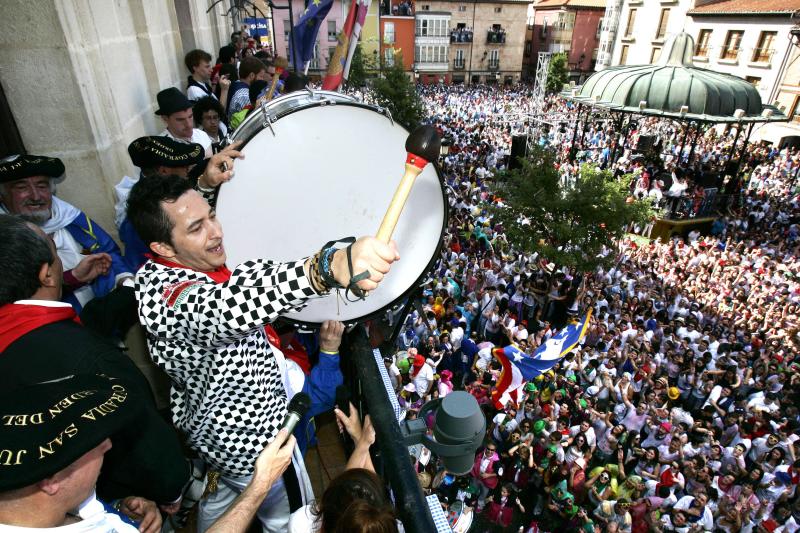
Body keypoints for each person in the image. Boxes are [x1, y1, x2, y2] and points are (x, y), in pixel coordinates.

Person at [126, 171, 399, 531]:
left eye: (211, 215)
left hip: (222, 439)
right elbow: (226, 306)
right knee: (288, 518)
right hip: (256, 445)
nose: (216, 232)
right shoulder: (174, 301)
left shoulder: (172, 266)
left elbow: (247, 282)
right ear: (163, 248)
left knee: (224, 493)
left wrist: (205, 185)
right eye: (196, 228)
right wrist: (325, 268)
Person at [0, 215, 193, 509]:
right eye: (55, 253)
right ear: (46, 274)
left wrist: (79, 280)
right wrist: (172, 492)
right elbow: (145, 442)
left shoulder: (23, 338)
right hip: (112, 499)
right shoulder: (95, 361)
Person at [0, 374, 161, 532]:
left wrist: (120, 512)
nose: (107, 445)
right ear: (50, 482)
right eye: (87, 443)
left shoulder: (54, 505)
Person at [0, 154, 133, 315]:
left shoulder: (68, 216)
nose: (35, 196)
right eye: (22, 188)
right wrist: (72, 278)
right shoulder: (5, 238)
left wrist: (123, 279)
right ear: (2, 195)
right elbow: (19, 293)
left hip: (100, 315)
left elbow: (108, 251)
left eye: (42, 186)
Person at [115, 136, 206, 270]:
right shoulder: (142, 215)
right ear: (164, 171)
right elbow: (140, 265)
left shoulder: (162, 193)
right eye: (183, 165)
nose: (188, 169)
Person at [156, 87, 213, 158]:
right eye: (180, 120)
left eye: (190, 116)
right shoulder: (160, 147)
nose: (189, 125)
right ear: (165, 118)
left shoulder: (201, 135)